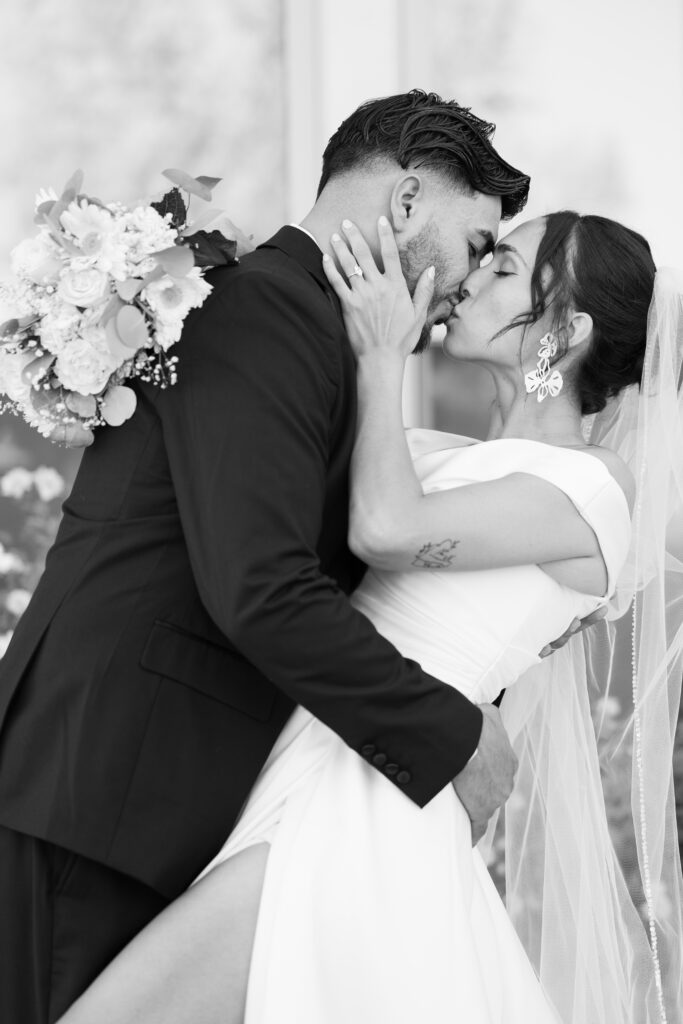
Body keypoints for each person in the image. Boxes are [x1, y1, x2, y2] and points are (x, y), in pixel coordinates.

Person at [54, 212, 683, 1023]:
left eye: (502, 269)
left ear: (563, 331)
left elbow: (384, 530)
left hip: (365, 796)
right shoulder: (431, 451)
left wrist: (383, 355)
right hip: (298, 756)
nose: (469, 281)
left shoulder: (591, 488)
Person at [0, 91, 534, 1022]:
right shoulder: (267, 310)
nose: (469, 283)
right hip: (98, 790)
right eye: (477, 244)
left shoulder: (323, 331)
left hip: (143, 799)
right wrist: (451, 739)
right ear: (407, 198)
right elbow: (263, 587)